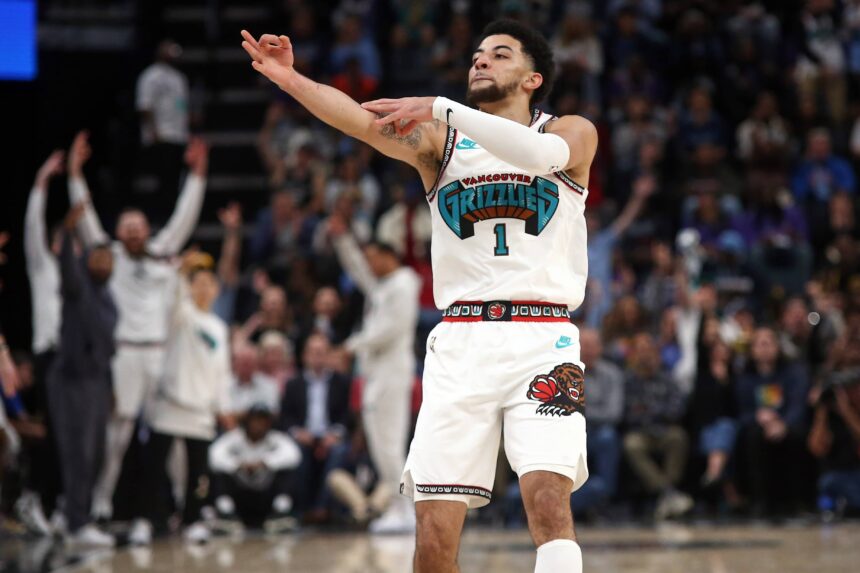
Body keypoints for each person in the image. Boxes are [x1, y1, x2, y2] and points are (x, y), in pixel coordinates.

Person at [243, 16, 598, 571]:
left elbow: (538, 158)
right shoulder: (441, 142)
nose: (481, 60)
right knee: (432, 533)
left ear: (533, 79)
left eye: (501, 54)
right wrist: (291, 80)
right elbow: (361, 122)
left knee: (548, 499)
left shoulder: (571, 131)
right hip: (460, 342)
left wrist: (442, 105)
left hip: (543, 339)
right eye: (478, 53)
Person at [65, 130, 209, 521]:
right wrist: (74, 174)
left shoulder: (164, 254)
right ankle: (100, 503)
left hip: (161, 354)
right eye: (125, 227)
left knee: (173, 434)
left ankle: (186, 505)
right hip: (125, 353)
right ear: (118, 234)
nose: (131, 231)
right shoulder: (108, 258)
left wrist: (197, 175)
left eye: (137, 226)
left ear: (146, 230)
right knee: (119, 433)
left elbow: (184, 217)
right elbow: (86, 222)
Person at [127, 253, 232, 545]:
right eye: (197, 283)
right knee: (154, 467)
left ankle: (193, 519)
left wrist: (223, 406)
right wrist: (180, 274)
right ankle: (146, 520)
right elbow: (173, 299)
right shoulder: (181, 315)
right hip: (170, 402)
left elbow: (221, 371)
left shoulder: (219, 328)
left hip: (201, 409)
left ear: (216, 290)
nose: (203, 288)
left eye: (209, 284)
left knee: (198, 471)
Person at [329, 217, 421, 533]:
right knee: (381, 446)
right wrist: (343, 241)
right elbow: (358, 271)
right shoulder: (383, 288)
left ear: (388, 255)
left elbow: (389, 329)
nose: (369, 264)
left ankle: (406, 509)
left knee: (390, 444)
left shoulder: (404, 283)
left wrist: (351, 346)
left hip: (392, 375)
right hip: (376, 375)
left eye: (372, 258)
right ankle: (399, 508)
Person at [48, 205, 117, 547]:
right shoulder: (78, 289)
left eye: (108, 259)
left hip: (96, 382)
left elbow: (108, 350)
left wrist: (111, 387)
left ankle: (75, 514)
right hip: (72, 379)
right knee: (78, 452)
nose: (103, 263)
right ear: (86, 261)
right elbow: (67, 270)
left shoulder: (109, 300)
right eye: (97, 258)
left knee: (97, 453)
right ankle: (77, 523)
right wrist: (68, 231)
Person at [21, 150, 65, 534]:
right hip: (48, 356)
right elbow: (33, 228)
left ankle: (55, 503)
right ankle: (34, 498)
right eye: (60, 240)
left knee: (68, 436)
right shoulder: (43, 269)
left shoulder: (78, 280)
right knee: (52, 430)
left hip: (73, 362)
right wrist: (41, 182)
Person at [278, 333, 351, 519]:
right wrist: (298, 433)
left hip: (331, 436)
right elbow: (286, 417)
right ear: (305, 356)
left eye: (321, 352)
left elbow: (346, 415)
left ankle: (322, 507)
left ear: (328, 355)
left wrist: (335, 434)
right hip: (304, 436)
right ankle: (300, 509)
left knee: (338, 452)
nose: (317, 357)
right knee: (295, 452)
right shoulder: (293, 384)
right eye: (313, 352)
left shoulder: (341, 382)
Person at [209, 404, 301, 531]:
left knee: (288, 471)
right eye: (255, 420)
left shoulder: (276, 439)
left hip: (266, 497)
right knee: (220, 473)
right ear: (247, 421)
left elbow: (294, 455)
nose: (258, 424)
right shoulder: (234, 438)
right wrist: (237, 465)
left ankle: (281, 514)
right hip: (240, 496)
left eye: (263, 421)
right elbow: (213, 456)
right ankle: (226, 514)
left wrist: (265, 463)